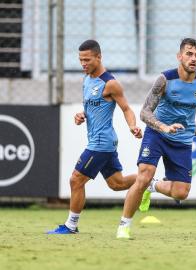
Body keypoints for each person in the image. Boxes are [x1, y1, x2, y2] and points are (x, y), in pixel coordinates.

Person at [116, 38, 196, 239]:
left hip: (183, 140)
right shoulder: (165, 79)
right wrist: (163, 127)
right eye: (189, 54)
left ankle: (152, 186)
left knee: (181, 192)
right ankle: (124, 226)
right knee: (143, 175)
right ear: (179, 57)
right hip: (157, 134)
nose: (193, 58)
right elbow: (144, 112)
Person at [47, 39, 143, 234]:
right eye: (80, 60)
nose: (83, 64)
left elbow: (126, 108)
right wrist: (81, 115)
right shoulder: (87, 78)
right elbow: (92, 106)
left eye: (87, 60)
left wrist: (133, 126)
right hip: (101, 142)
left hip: (101, 142)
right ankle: (148, 182)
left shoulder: (111, 84)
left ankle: (70, 225)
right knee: (117, 184)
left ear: (99, 57)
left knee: (76, 180)